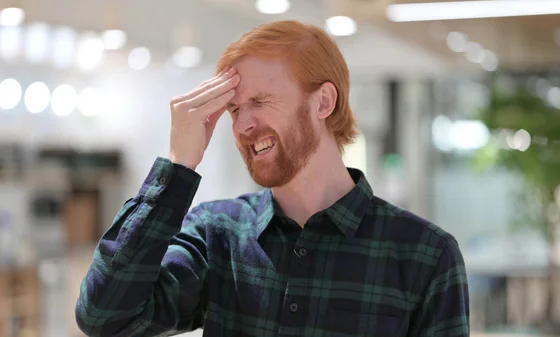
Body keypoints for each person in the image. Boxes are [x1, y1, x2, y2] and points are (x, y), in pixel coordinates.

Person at [75, 20, 469, 337]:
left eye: (261, 102)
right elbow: (105, 317)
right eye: (233, 110)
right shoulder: (217, 233)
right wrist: (179, 166)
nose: (244, 124)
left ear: (324, 102)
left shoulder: (426, 255)